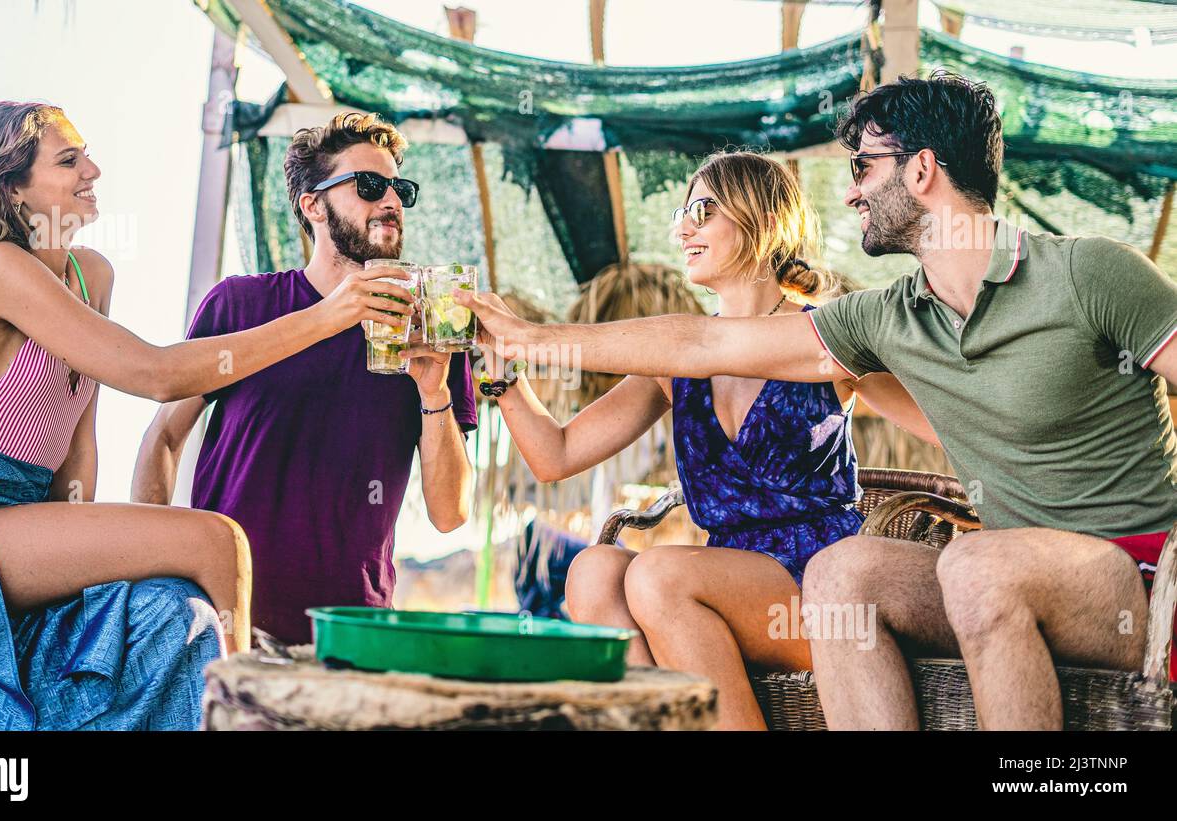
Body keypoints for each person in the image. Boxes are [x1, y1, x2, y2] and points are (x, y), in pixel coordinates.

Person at [455, 71, 1177, 730]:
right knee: (843, 571)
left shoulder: (1093, 274)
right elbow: (700, 348)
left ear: (922, 168)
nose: (852, 190)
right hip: (989, 574)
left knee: (974, 562)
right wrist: (522, 344)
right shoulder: (884, 319)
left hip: (1129, 580)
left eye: (864, 167)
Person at [0, 101, 416, 730]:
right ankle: (245, 717)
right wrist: (329, 317)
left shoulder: (91, 275)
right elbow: (157, 375)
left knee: (170, 607)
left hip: (22, 517)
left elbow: (79, 449)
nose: (94, 169)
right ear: (13, 186)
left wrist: (82, 559)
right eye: (69, 159)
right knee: (216, 540)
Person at [472, 150, 936, 729]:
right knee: (592, 572)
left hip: (817, 593)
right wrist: (501, 373)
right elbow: (555, 455)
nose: (681, 226)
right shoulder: (677, 361)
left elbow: (943, 423)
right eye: (682, 211)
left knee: (658, 574)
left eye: (702, 208)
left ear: (761, 219)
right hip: (715, 584)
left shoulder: (824, 337)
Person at [132, 112, 477, 645]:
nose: (389, 201)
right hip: (218, 624)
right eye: (368, 185)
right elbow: (164, 437)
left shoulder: (431, 323)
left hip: (349, 635)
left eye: (398, 189)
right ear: (312, 205)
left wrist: (434, 393)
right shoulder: (241, 303)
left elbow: (451, 514)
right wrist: (151, 581)